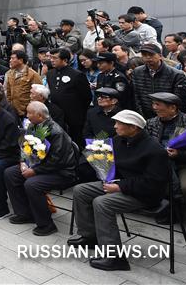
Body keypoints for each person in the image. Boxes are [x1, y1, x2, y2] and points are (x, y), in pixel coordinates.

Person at [69, 110, 169, 271]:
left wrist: (120, 186)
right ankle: (90, 236)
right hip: (121, 184)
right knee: (81, 190)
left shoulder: (154, 150)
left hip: (145, 194)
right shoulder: (119, 140)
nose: (114, 126)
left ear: (133, 127)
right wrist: (101, 167)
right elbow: (111, 163)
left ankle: (114, 257)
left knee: (102, 203)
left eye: (119, 123)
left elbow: (153, 184)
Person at [4, 101, 78, 236]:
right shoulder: (33, 126)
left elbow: (56, 161)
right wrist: (22, 162)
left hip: (60, 172)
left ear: (39, 115)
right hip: (38, 166)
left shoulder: (55, 131)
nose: (27, 116)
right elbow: (24, 147)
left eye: (29, 113)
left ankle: (47, 224)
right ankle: (25, 213)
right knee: (10, 173)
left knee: (32, 184)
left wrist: (35, 171)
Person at [144, 92, 186, 236]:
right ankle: (170, 212)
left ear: (173, 108)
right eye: (153, 104)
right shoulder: (151, 122)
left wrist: (179, 154)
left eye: (158, 104)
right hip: (160, 162)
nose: (154, 108)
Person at [131, 43, 186, 118]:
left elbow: (181, 100)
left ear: (160, 56)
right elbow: (136, 96)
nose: (148, 58)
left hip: (169, 116)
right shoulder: (137, 72)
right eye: (144, 55)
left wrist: (173, 117)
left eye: (151, 55)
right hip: (146, 115)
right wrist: (141, 115)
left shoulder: (176, 74)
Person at [47, 48, 92, 144]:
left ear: (65, 60)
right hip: (56, 114)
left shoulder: (77, 75)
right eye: (51, 57)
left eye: (55, 58)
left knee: (74, 140)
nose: (51, 60)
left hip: (74, 116)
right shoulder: (50, 74)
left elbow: (87, 97)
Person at [4, 50, 42, 118]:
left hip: (27, 112)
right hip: (13, 111)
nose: (10, 60)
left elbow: (38, 95)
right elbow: (8, 92)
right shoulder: (10, 73)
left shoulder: (33, 74)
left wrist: (30, 108)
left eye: (13, 58)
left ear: (21, 60)